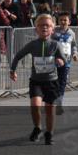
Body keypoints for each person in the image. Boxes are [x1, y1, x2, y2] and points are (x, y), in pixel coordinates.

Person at [9, 14, 67, 145]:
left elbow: (64, 59)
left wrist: (60, 61)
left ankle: (49, 133)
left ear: (52, 29)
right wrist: (12, 70)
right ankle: (38, 127)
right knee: (35, 104)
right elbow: (18, 56)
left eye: (48, 25)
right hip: (36, 81)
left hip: (52, 81)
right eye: (41, 25)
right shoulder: (32, 44)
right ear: (36, 29)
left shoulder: (55, 45)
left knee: (49, 108)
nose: (44, 27)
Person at [51, 11, 78, 115]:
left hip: (66, 62)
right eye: (61, 20)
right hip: (54, 62)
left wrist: (75, 54)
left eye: (65, 20)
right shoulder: (54, 32)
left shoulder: (72, 33)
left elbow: (74, 45)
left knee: (62, 83)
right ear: (58, 21)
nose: (63, 22)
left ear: (69, 22)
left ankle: (59, 104)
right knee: (53, 83)